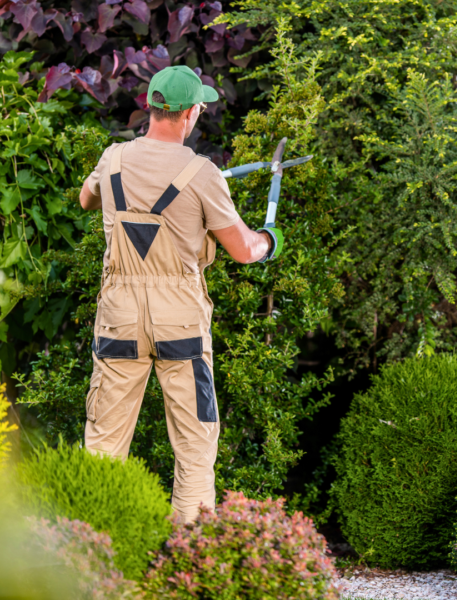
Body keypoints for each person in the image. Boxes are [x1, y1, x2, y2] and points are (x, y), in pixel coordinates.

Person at [79, 65, 282, 523]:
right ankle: (189, 557)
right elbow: (245, 251)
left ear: (150, 108)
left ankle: (91, 561)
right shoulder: (204, 173)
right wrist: (271, 239)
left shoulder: (112, 159)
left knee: (103, 443)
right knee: (194, 442)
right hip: (180, 321)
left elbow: (86, 200)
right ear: (190, 114)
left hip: (119, 315)